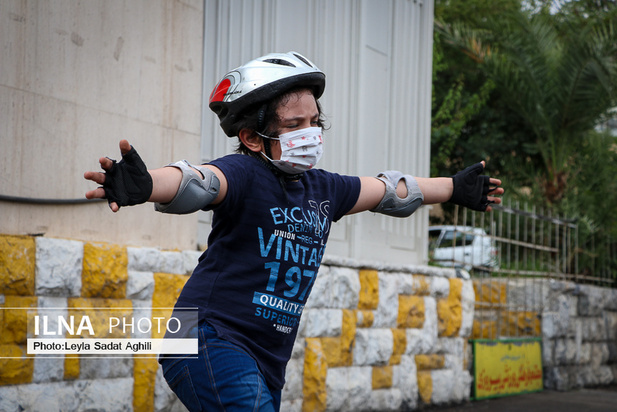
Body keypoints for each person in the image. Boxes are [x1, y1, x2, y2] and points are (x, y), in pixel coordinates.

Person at [84, 51, 503, 411]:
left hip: (267, 360)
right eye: (295, 124)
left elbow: (390, 191)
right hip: (206, 338)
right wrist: (149, 185)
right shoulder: (244, 173)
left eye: (315, 122)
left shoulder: (325, 189)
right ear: (252, 138)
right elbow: (200, 181)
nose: (311, 133)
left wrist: (453, 188)